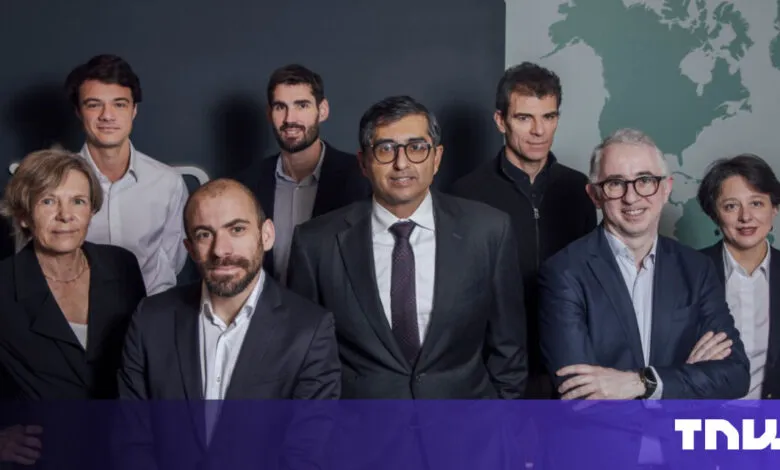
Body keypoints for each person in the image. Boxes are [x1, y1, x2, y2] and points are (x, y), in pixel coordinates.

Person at [287, 95, 527, 399]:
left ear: (436, 158)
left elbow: (509, 349)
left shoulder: (489, 231)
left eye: (416, 148)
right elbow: (305, 359)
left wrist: (499, 422)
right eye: (385, 149)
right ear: (363, 162)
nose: (402, 164)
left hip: (467, 433)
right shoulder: (315, 243)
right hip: (360, 435)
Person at [539, 128, 749, 400]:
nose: (631, 197)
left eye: (645, 180)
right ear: (594, 195)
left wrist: (643, 382)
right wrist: (684, 378)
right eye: (615, 183)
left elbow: (735, 375)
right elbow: (580, 395)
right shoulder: (563, 272)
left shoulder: (696, 269)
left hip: (677, 440)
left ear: (666, 188)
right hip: (603, 442)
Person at [450, 62, 596, 397]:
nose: (539, 131)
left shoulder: (579, 189)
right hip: (494, 369)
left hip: (569, 364)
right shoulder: (466, 193)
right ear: (500, 120)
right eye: (524, 118)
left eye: (549, 116)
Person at [0, 148, 146, 466]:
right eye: (48, 201)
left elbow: (143, 361)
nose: (66, 216)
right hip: (46, 458)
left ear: (91, 210)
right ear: (24, 215)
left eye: (78, 201)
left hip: (122, 452)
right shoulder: (4, 285)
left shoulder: (122, 266)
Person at [65, 54, 189, 295]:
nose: (107, 116)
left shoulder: (167, 183)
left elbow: (171, 263)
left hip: (149, 314)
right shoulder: (55, 183)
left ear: (134, 110)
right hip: (75, 318)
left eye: (119, 104)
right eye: (94, 104)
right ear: (78, 112)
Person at [238, 64, 370, 285]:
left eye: (302, 105)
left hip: (333, 316)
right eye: (281, 107)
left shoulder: (360, 178)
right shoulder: (246, 184)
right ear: (270, 114)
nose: (290, 118)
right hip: (268, 314)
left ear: (323, 110)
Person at [698, 154, 780, 399]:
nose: (745, 217)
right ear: (715, 214)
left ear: (774, 208)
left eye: (756, 203)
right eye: (731, 206)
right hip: (704, 420)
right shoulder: (687, 272)